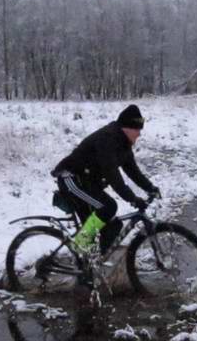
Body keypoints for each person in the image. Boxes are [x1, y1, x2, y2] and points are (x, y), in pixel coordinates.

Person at [51, 104, 160, 256]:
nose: (139, 134)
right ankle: (80, 250)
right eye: (137, 129)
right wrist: (132, 199)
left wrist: (150, 188)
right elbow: (113, 176)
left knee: (112, 225)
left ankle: (94, 263)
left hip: (88, 180)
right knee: (107, 207)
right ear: (126, 128)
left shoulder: (124, 144)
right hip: (71, 178)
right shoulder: (107, 139)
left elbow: (133, 171)